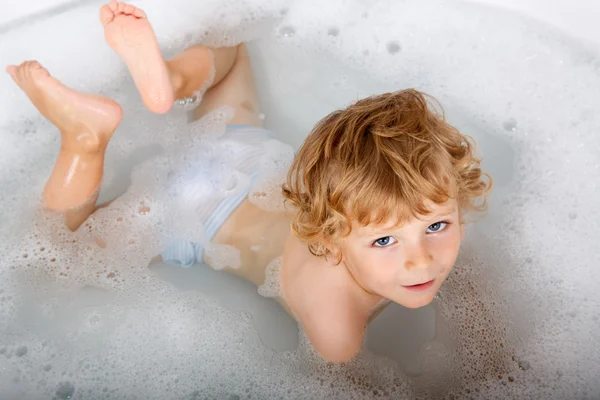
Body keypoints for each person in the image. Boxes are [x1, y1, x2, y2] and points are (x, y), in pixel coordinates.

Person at [6, 1, 492, 362]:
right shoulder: (337, 330)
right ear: (331, 238)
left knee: (232, 52)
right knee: (56, 260)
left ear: (457, 200)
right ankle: (82, 139)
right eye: (385, 239)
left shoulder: (371, 223)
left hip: (243, 155)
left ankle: (171, 84)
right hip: (188, 218)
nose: (420, 257)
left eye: (436, 226)